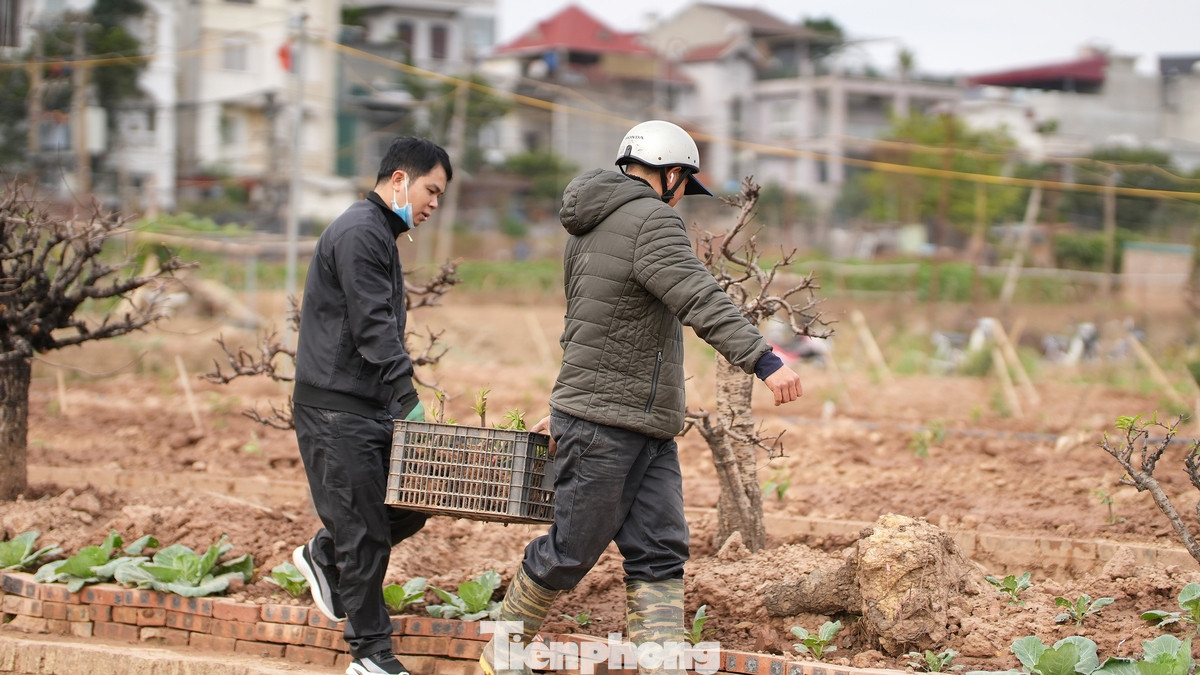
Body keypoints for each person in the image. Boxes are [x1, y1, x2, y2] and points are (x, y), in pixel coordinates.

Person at [480, 120, 803, 675]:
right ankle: (497, 660)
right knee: (570, 552)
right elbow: (699, 296)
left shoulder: (589, 227)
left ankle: (661, 665)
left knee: (659, 550)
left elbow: (592, 320)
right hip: (605, 422)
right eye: (683, 185)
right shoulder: (650, 221)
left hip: (643, 423)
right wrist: (764, 360)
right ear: (671, 174)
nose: (682, 199)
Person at [290, 136, 451, 675]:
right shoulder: (361, 231)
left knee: (410, 501)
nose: (433, 204)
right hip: (337, 408)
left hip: (365, 406)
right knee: (362, 530)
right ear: (400, 179)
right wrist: (409, 401)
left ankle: (325, 555)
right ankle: (371, 656)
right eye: (431, 189)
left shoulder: (378, 233)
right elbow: (373, 325)